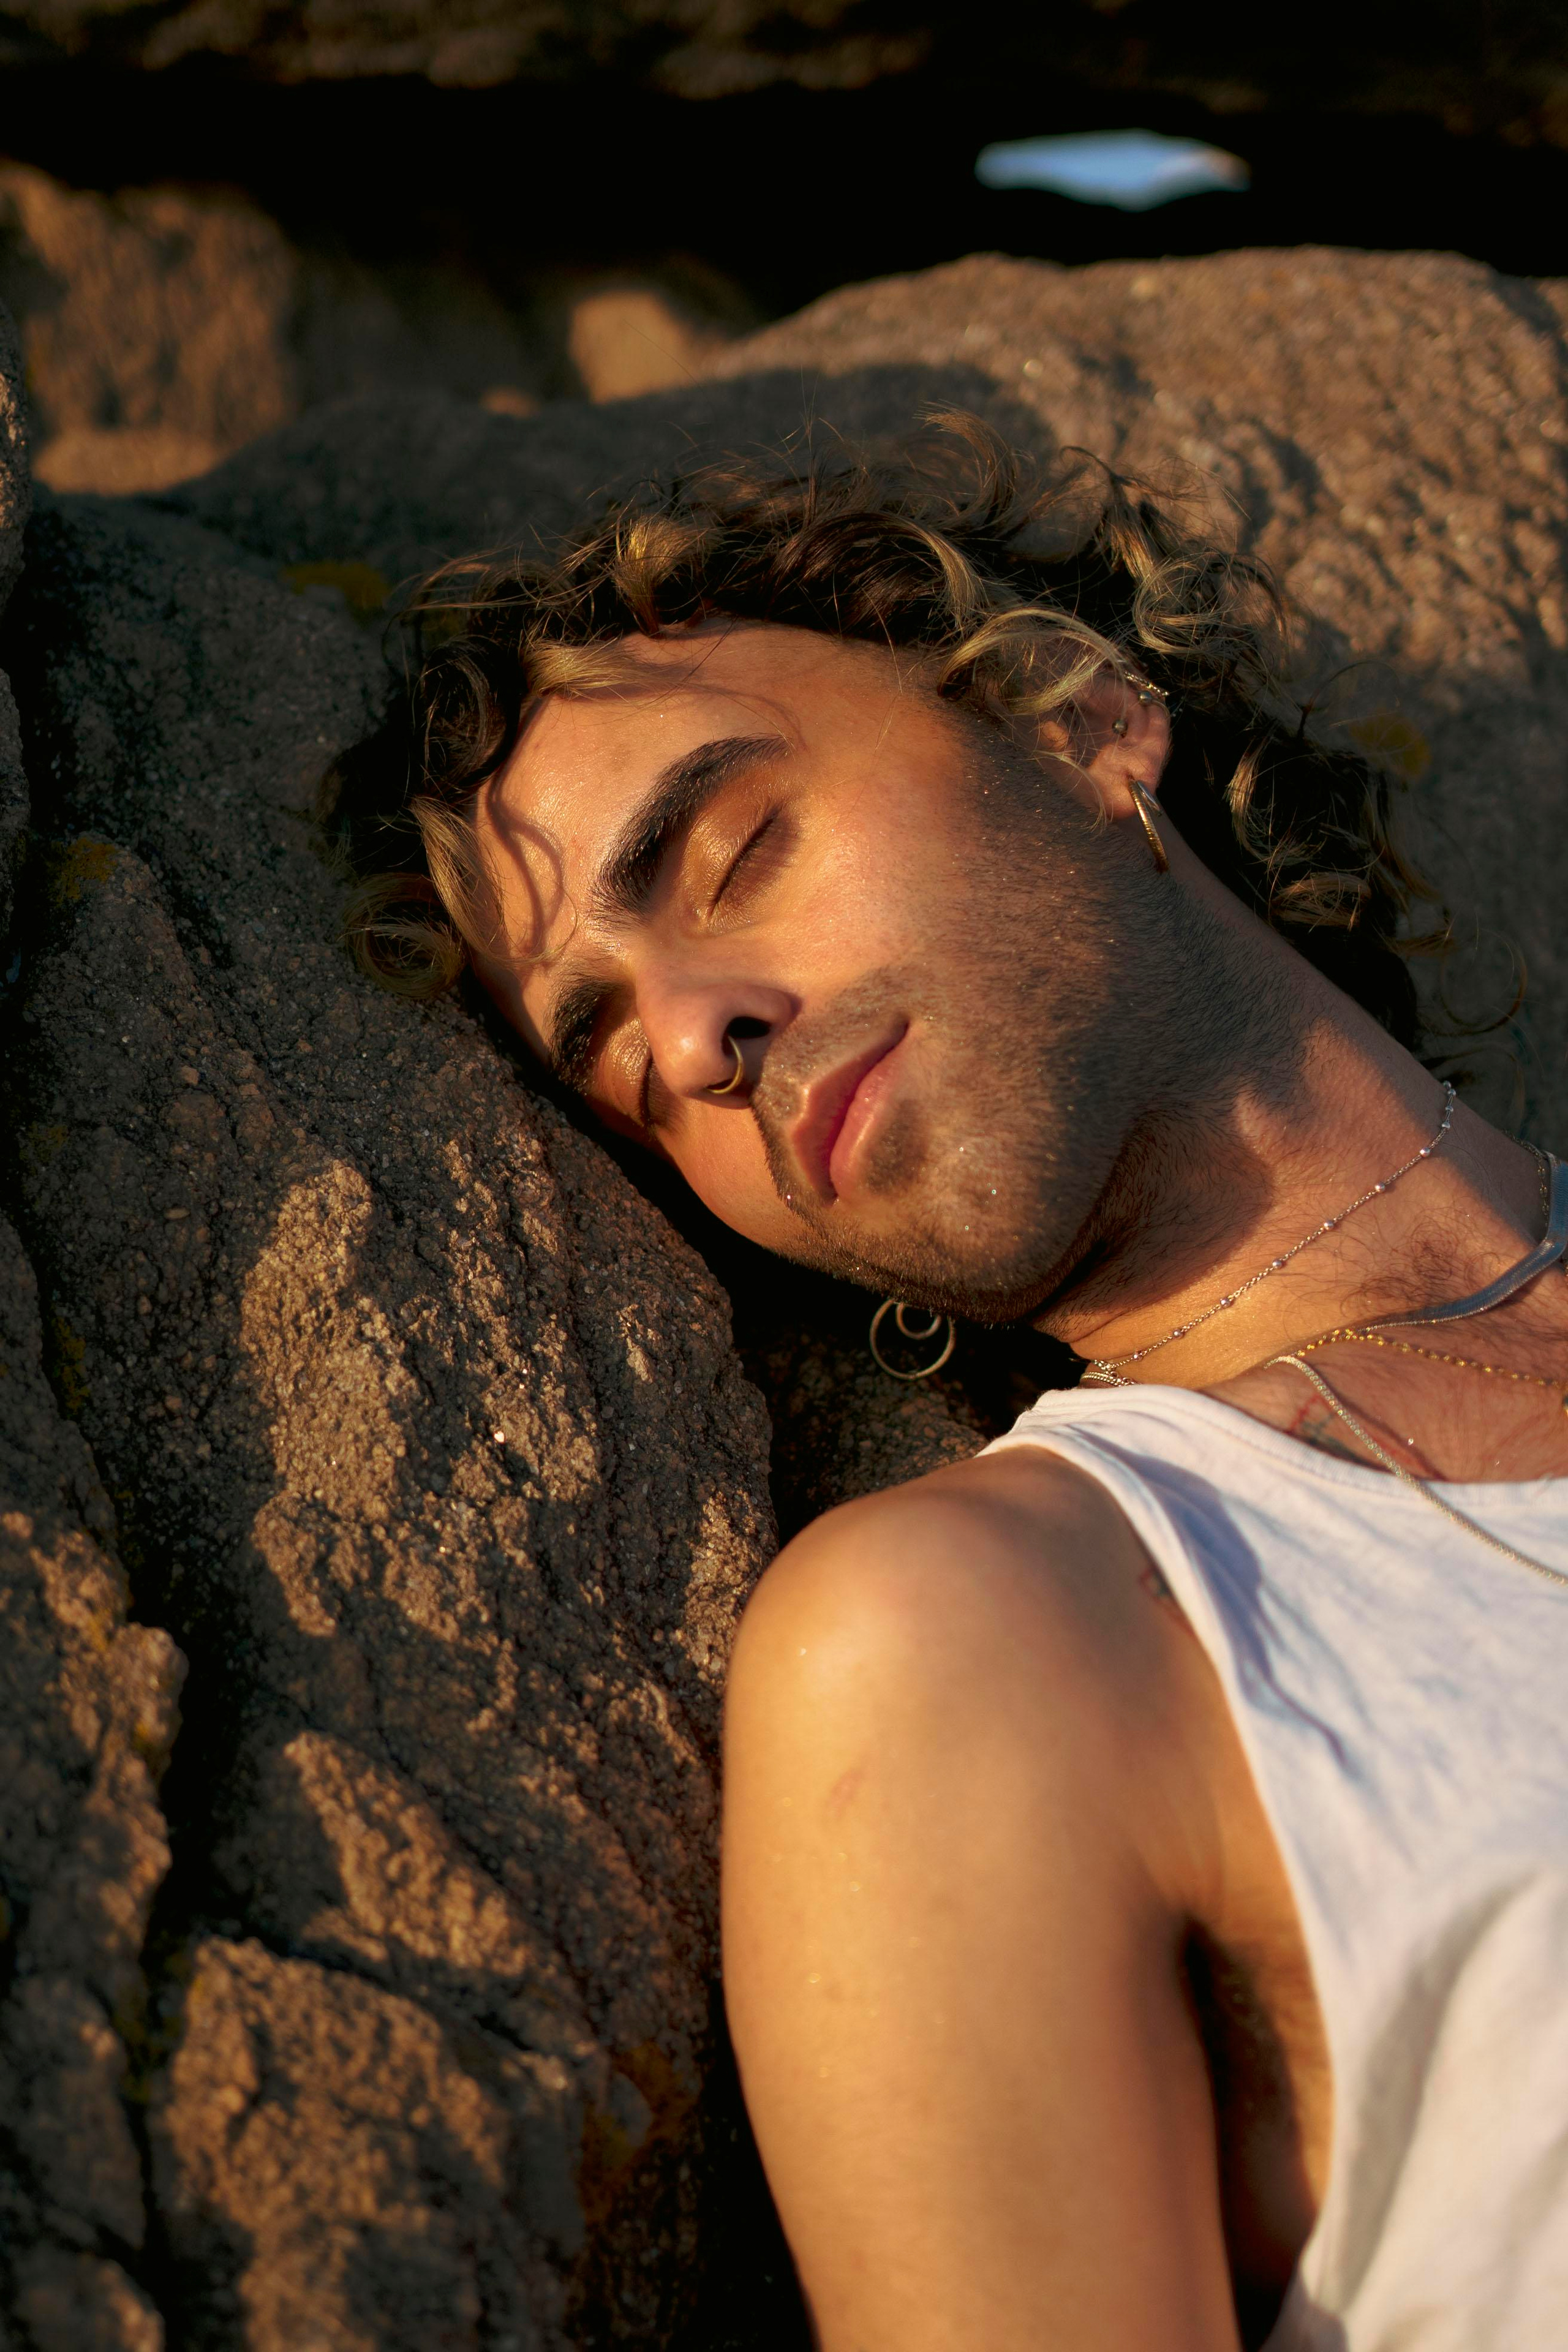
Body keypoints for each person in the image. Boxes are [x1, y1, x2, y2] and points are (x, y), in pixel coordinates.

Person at [325, 417, 1568, 2351]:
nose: (696, 1033)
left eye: (734, 851)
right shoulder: (989, 1635)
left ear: (1078, 723)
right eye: (622, 1066)